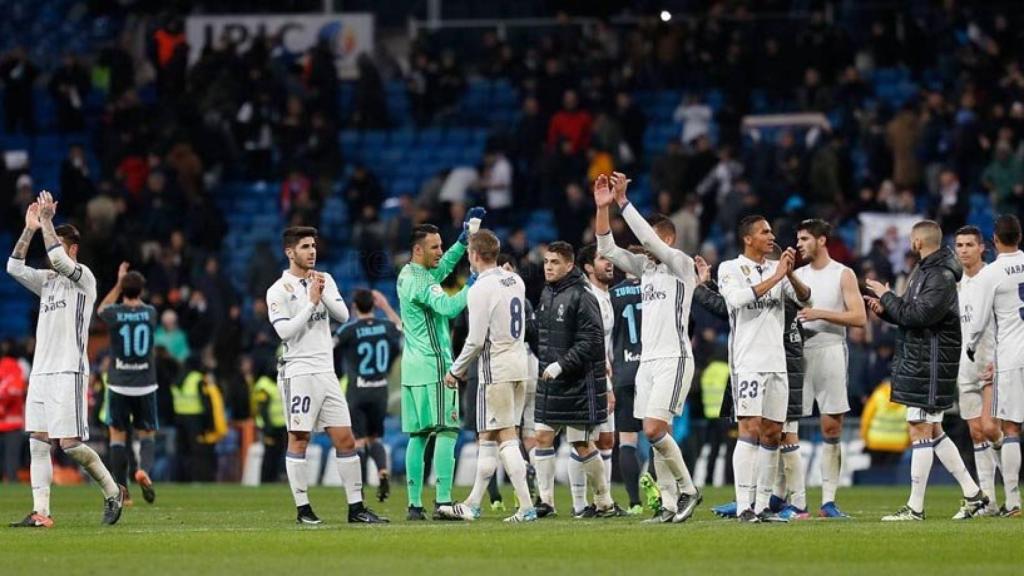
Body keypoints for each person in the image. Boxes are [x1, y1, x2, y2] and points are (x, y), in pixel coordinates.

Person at [7, 193, 126, 528]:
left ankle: (111, 489)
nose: (50, 248)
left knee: (70, 445)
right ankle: (41, 513)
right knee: (38, 442)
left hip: (69, 371)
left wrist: (46, 220)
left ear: (73, 248)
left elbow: (58, 260)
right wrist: (30, 228)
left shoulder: (83, 278)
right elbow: (13, 266)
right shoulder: (47, 283)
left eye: (57, 242)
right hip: (42, 372)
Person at [595, 172, 702, 523]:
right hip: (647, 363)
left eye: (653, 238)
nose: (644, 245)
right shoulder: (646, 270)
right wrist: (603, 208)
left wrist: (624, 202)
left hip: (674, 359)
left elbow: (650, 243)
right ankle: (669, 505)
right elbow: (607, 249)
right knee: (657, 435)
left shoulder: (681, 266)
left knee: (655, 430)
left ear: (668, 239)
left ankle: (688, 490)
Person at [866, 220, 988, 521]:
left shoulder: (940, 275)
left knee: (920, 429)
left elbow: (919, 314)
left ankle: (915, 508)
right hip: (921, 360)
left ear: (918, 241)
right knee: (932, 430)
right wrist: (888, 310)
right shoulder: (924, 271)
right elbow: (910, 316)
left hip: (931, 363)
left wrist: (886, 295)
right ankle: (974, 495)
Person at [265, 226, 387, 525]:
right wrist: (310, 302)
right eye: (305, 246)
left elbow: (343, 316)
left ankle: (356, 508)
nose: (312, 251)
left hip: (326, 371)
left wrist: (320, 293)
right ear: (290, 252)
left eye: (313, 245)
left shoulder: (325, 279)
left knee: (346, 439)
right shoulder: (278, 290)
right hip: (299, 371)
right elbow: (284, 332)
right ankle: (303, 509)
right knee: (300, 438)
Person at [695, 249, 810, 521]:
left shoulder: (780, 275)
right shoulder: (731, 267)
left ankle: (764, 506)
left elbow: (806, 299)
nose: (770, 238)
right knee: (749, 429)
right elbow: (733, 301)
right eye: (764, 232)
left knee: (775, 434)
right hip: (748, 364)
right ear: (749, 238)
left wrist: (787, 273)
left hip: (781, 365)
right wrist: (704, 286)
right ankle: (745, 505)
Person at [442, 229, 536, 522]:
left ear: (473, 255)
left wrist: (456, 371)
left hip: (495, 368)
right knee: (489, 436)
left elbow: (476, 339)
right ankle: (472, 503)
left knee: (505, 436)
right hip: (520, 364)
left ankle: (526, 506)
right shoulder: (515, 280)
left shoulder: (479, 289)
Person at [397, 208, 485, 521]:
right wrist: (473, 283)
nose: (439, 251)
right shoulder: (423, 284)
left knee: (419, 435)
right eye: (434, 246)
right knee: (447, 431)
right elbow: (448, 308)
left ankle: (414, 505)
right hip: (436, 367)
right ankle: (444, 501)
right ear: (418, 249)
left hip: (413, 367)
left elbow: (443, 267)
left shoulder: (409, 274)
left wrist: (462, 242)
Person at [532, 241, 620, 518]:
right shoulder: (547, 293)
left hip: (578, 383)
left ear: (569, 265)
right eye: (546, 261)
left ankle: (604, 501)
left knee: (581, 444)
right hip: (551, 381)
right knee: (542, 437)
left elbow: (592, 341)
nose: (548, 267)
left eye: (555, 262)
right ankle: (545, 501)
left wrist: (561, 364)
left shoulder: (583, 295)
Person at [792, 219, 867, 518]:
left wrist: (819, 313)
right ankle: (794, 500)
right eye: (798, 239)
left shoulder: (843, 274)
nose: (799, 244)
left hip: (831, 350)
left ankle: (828, 501)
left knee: (831, 426)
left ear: (822, 241)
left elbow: (860, 317)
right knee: (787, 428)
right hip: (799, 352)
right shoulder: (796, 275)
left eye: (805, 238)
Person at [966, 214, 1024, 518]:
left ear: (994, 240)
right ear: (1020, 237)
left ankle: (1013, 502)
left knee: (1011, 427)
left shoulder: (992, 273)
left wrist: (971, 347)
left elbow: (978, 321)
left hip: (1013, 356)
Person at [97, 263, 159, 505]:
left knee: (117, 437)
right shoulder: (151, 313)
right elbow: (141, 307)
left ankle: (122, 489)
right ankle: (144, 469)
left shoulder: (115, 313)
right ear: (141, 291)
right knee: (146, 434)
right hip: (145, 384)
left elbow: (101, 309)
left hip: (119, 383)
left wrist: (118, 283)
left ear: (123, 289)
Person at [952, 225, 1002, 517]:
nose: (964, 250)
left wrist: (1000, 359)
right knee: (975, 433)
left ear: (982, 247)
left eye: (970, 244)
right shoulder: (954, 284)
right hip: (964, 365)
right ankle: (990, 502)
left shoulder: (992, 278)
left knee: (991, 428)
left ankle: (1012, 491)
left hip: (992, 361)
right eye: (959, 245)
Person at [334, 289, 402, 502]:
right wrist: (387, 307)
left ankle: (359, 492)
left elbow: (330, 346)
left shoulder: (349, 329)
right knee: (375, 438)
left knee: (360, 441)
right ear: (374, 304)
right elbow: (402, 328)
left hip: (358, 390)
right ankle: (382, 471)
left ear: (354, 307)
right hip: (380, 390)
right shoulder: (386, 326)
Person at [608, 256, 652, 515]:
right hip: (652, 369)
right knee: (659, 435)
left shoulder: (612, 295)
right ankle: (658, 491)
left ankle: (634, 502)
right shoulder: (655, 288)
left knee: (627, 440)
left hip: (623, 371)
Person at [576, 243, 617, 515]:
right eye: (603, 259)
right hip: (591, 378)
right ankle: (582, 504)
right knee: (581, 439)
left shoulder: (607, 296)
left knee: (606, 440)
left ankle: (603, 501)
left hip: (604, 374)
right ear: (589, 267)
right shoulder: (589, 297)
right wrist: (606, 383)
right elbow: (591, 343)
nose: (609, 263)